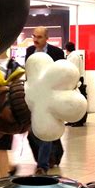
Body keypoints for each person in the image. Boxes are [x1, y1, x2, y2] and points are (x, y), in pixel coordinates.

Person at [25, 26, 65, 174]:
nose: (35, 39)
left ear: (47, 38)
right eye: (34, 36)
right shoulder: (30, 51)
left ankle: (43, 165)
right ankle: (55, 155)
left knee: (46, 130)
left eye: (39, 37)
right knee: (32, 133)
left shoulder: (57, 53)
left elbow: (63, 74)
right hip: (34, 97)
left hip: (51, 97)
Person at [65, 41, 86, 127]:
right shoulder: (75, 55)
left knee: (78, 102)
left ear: (67, 49)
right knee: (73, 102)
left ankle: (79, 120)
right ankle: (73, 120)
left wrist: (74, 83)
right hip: (76, 79)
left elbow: (73, 70)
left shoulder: (73, 57)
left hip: (76, 80)